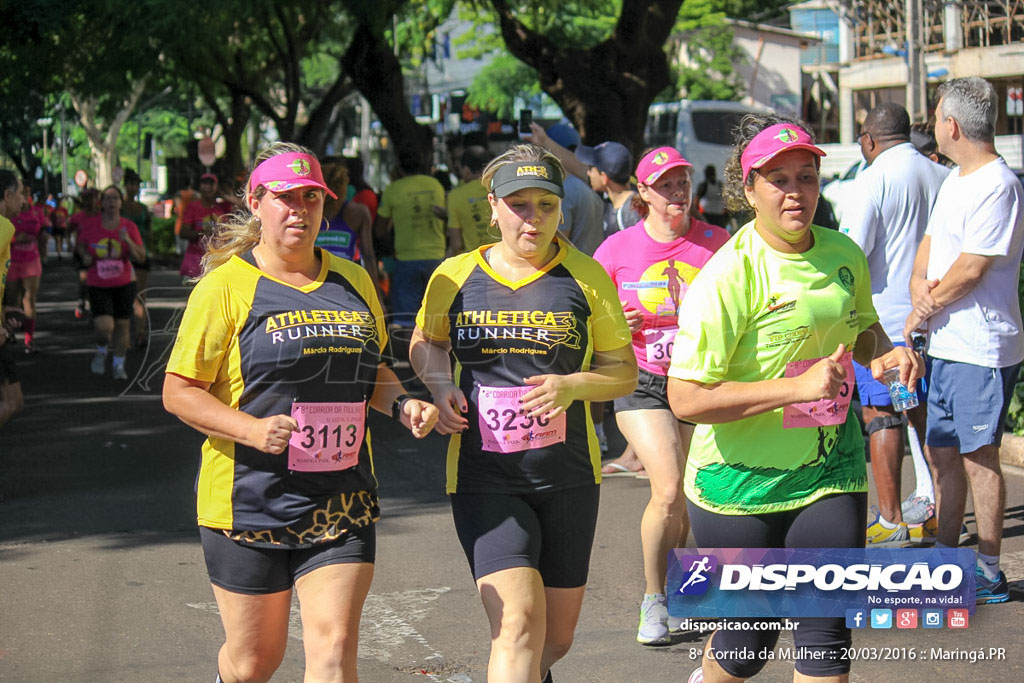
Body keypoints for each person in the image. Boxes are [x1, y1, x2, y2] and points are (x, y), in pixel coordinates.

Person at [162, 143, 439, 683]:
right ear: (256, 203)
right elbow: (180, 391)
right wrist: (252, 429)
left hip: (341, 495)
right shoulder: (225, 287)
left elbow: (373, 372)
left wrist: (404, 404)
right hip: (248, 501)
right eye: (285, 198)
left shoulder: (354, 282)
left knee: (334, 653)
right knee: (253, 663)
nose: (299, 210)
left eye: (311, 198)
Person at [666, 115, 923, 683]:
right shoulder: (726, 277)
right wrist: (796, 389)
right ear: (748, 187)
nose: (794, 192)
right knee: (743, 647)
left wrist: (885, 352)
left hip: (829, 474)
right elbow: (684, 398)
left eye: (805, 177)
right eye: (777, 179)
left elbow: (862, 329)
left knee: (824, 636)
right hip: (737, 486)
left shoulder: (842, 254)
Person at [410, 144, 636, 683]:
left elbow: (624, 372)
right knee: (517, 625)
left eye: (546, 205)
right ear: (493, 207)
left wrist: (573, 385)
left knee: (553, 640)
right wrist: (440, 387)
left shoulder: (586, 276)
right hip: (484, 477)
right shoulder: (455, 275)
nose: (533, 219)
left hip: (569, 477)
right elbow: (427, 341)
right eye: (519, 205)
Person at [593, 147, 730, 645]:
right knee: (669, 486)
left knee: (694, 494)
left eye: (683, 183)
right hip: (641, 380)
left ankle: (684, 590)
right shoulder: (615, 251)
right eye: (666, 185)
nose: (678, 193)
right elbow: (587, 320)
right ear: (643, 193)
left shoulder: (718, 244)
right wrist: (613, 325)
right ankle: (653, 600)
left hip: (701, 379)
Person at [903, 77, 1024, 605]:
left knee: (979, 457)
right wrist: (916, 286)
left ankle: (989, 568)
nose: (933, 125)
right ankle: (947, 560)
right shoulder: (955, 179)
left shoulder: (1000, 184)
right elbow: (930, 246)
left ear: (951, 125)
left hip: (981, 347)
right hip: (947, 344)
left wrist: (924, 304)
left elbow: (972, 267)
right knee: (941, 454)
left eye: (935, 117)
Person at [840, 103, 951, 547]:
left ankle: (890, 522)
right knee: (925, 416)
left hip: (883, 329)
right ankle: (945, 510)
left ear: (869, 140)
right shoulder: (941, 176)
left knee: (883, 414)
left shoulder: (872, 179)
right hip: (934, 320)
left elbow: (850, 255)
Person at [75, 186, 146, 380]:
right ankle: (101, 349)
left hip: (124, 283)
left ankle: (118, 365)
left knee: (123, 326)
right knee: (104, 327)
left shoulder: (129, 227)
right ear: (102, 202)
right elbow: (80, 246)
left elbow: (141, 256)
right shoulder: (91, 225)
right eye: (107, 198)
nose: (111, 202)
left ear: (120, 202)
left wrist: (128, 241)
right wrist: (84, 256)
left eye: (115, 198)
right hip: (98, 283)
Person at [373, 151, 446, 331]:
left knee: (406, 321)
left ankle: (412, 357)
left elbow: (379, 229)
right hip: (437, 258)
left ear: (399, 167)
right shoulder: (435, 184)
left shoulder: (393, 189)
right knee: (439, 318)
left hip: (406, 259)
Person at [529, 122, 605, 256]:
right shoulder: (586, 187)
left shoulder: (563, 192)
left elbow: (554, 247)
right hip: (590, 269)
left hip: (572, 273)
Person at [317, 159, 381, 297]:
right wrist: (376, 297)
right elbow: (368, 256)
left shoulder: (307, 213)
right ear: (344, 185)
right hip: (346, 284)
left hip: (313, 283)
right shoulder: (358, 213)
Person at [5, 181, 47, 352]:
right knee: (12, 300)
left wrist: (44, 254)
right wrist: (16, 239)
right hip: (11, 261)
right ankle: (9, 333)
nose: (24, 197)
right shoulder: (8, 213)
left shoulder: (37, 212)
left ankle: (29, 340)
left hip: (31, 260)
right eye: (22, 193)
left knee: (29, 300)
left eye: (27, 193)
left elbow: (43, 233)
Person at [575, 141, 642, 241]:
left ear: (604, 177)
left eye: (591, 168)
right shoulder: (610, 198)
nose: (588, 173)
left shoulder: (631, 213)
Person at [0, 170, 25, 426]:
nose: (23, 201)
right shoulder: (3, 225)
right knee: (11, 402)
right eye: (19, 194)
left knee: (13, 401)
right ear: (7, 195)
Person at [122, 169, 153, 348]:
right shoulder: (119, 207)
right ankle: (123, 333)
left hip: (141, 254)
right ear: (125, 185)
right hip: (122, 255)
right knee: (125, 297)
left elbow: (148, 232)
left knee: (140, 296)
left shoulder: (143, 209)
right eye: (130, 183)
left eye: (136, 184)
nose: (133, 187)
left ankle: (140, 333)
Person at [179, 173, 230, 281]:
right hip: (195, 261)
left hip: (219, 260)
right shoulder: (193, 207)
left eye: (211, 184)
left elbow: (244, 207)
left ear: (216, 187)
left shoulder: (224, 207)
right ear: (200, 187)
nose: (208, 187)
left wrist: (225, 196)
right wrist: (204, 232)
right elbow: (183, 232)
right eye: (204, 183)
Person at [445, 145, 495, 254]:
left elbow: (456, 244)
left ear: (467, 171)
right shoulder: (498, 189)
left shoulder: (455, 196)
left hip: (474, 261)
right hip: (503, 256)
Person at [69, 189, 100, 319]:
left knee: (97, 281)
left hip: (99, 253)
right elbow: (68, 231)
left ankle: (96, 308)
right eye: (87, 199)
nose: (90, 202)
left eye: (92, 198)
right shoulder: (77, 217)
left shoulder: (102, 215)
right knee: (84, 278)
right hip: (82, 252)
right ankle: (82, 300)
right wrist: (71, 244)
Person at [691, 165, 728, 229]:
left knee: (708, 229)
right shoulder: (720, 184)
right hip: (719, 212)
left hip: (707, 212)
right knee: (719, 229)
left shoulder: (704, 185)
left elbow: (697, 199)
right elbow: (726, 198)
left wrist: (696, 211)